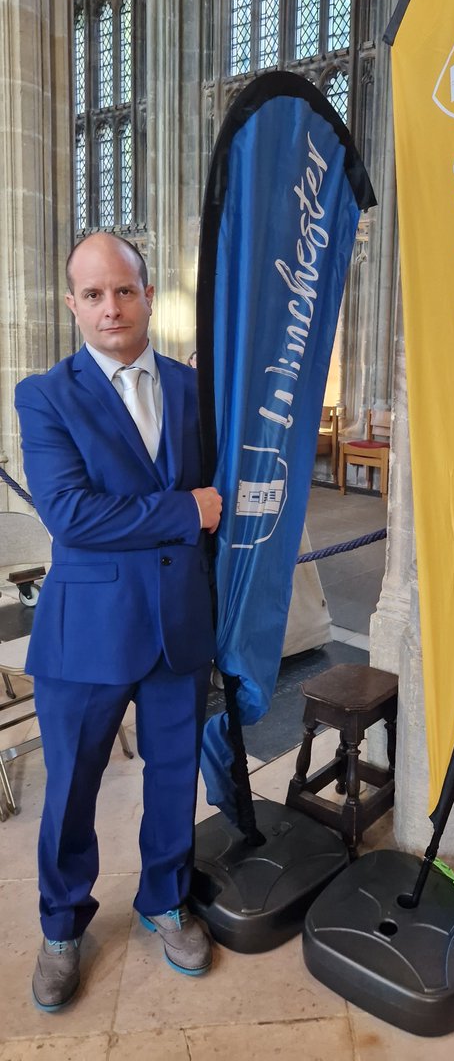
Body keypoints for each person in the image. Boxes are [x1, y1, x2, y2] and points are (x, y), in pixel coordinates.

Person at [14, 232, 222, 1012]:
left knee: (174, 778)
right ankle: (63, 926)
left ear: (147, 295)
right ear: (72, 303)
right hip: (88, 632)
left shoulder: (190, 386)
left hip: (177, 624)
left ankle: (166, 901)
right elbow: (71, 515)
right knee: (70, 787)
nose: (111, 306)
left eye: (124, 290)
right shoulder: (44, 395)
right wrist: (184, 511)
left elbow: (225, 487)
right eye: (93, 294)